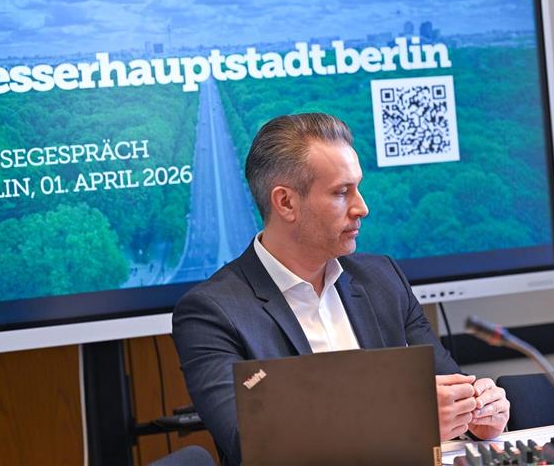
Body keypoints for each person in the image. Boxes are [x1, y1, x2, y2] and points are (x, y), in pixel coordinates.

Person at [173, 113, 509, 465]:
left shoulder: (383, 279)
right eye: (341, 192)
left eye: (358, 187)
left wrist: (477, 412)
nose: (362, 207)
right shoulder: (212, 312)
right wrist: (409, 417)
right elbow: (251, 442)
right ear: (285, 202)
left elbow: (449, 385)